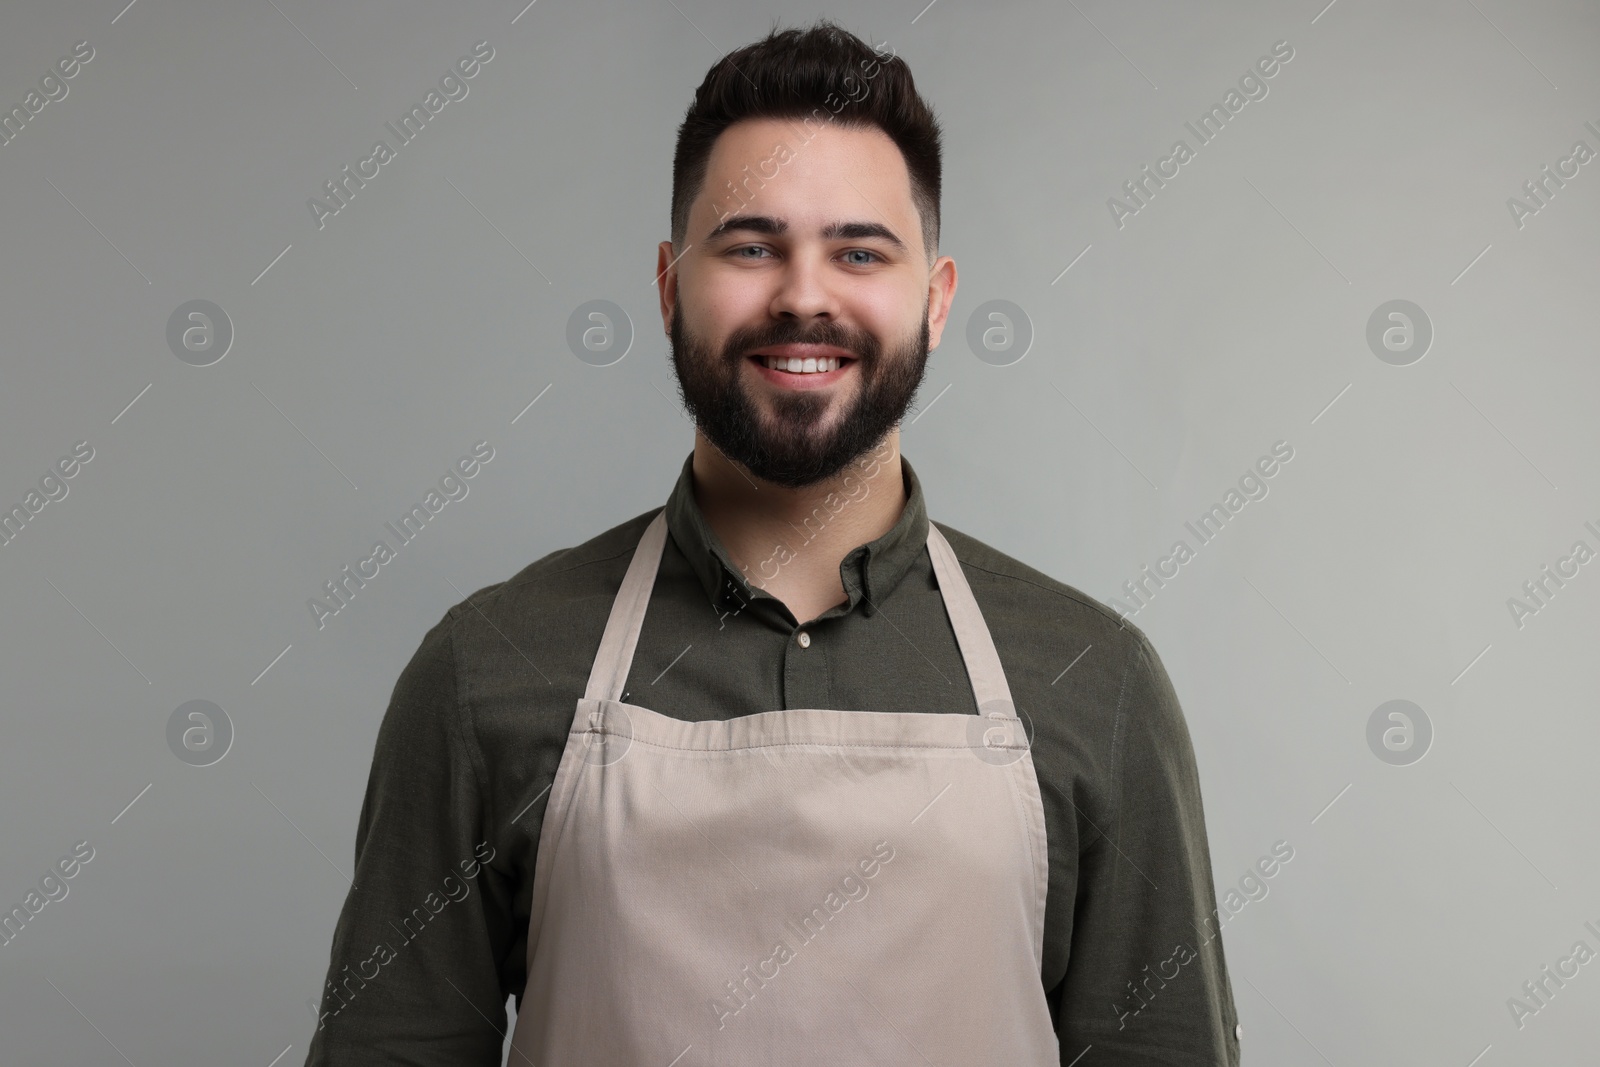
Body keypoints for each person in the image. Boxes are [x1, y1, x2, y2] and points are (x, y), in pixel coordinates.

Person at [305, 19, 1239, 1065]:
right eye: (751, 247)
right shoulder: (484, 672)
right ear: (669, 288)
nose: (803, 295)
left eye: (858, 251)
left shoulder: (1094, 683)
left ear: (933, 303)